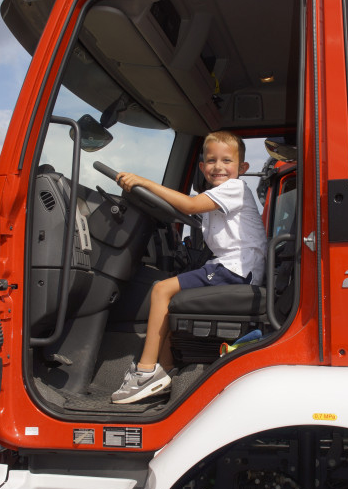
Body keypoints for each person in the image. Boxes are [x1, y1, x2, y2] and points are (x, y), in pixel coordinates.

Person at [111, 131, 267, 404]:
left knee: (161, 290)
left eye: (226, 160)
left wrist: (143, 182)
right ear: (202, 167)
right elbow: (189, 209)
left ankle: (145, 371)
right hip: (231, 268)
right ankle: (167, 367)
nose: (218, 167)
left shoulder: (234, 189)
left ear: (242, 168)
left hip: (237, 271)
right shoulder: (217, 195)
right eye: (211, 160)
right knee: (173, 298)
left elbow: (190, 204)